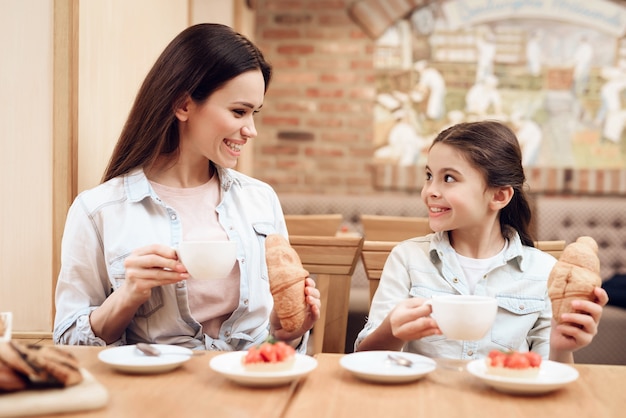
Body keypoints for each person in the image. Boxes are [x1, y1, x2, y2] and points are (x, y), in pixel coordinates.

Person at [53, 23, 321, 352]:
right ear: (183, 105)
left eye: (255, 114)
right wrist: (127, 296)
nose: (251, 130)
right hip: (156, 391)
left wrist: (284, 332)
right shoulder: (98, 211)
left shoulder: (260, 201)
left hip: (251, 383)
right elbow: (67, 343)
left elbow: (275, 342)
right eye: (239, 112)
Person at [355, 120, 608, 363]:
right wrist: (392, 329)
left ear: (499, 196)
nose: (430, 190)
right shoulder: (407, 258)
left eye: (449, 178)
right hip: (425, 402)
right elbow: (364, 358)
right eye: (429, 175)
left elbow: (549, 375)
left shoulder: (543, 272)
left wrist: (562, 347)